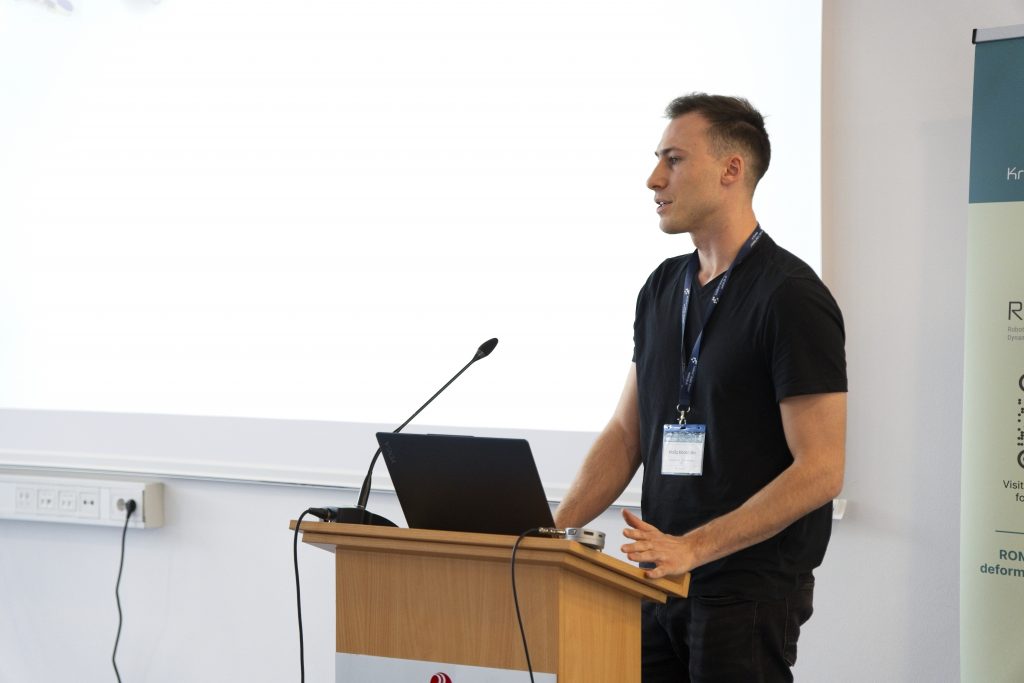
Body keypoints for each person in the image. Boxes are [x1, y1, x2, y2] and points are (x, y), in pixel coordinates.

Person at [553, 93, 847, 682]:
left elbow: (821, 469)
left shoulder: (790, 295)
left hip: (746, 590)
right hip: (660, 579)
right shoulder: (663, 287)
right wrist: (549, 533)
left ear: (731, 169)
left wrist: (694, 547)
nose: (654, 179)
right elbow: (626, 433)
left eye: (674, 159)